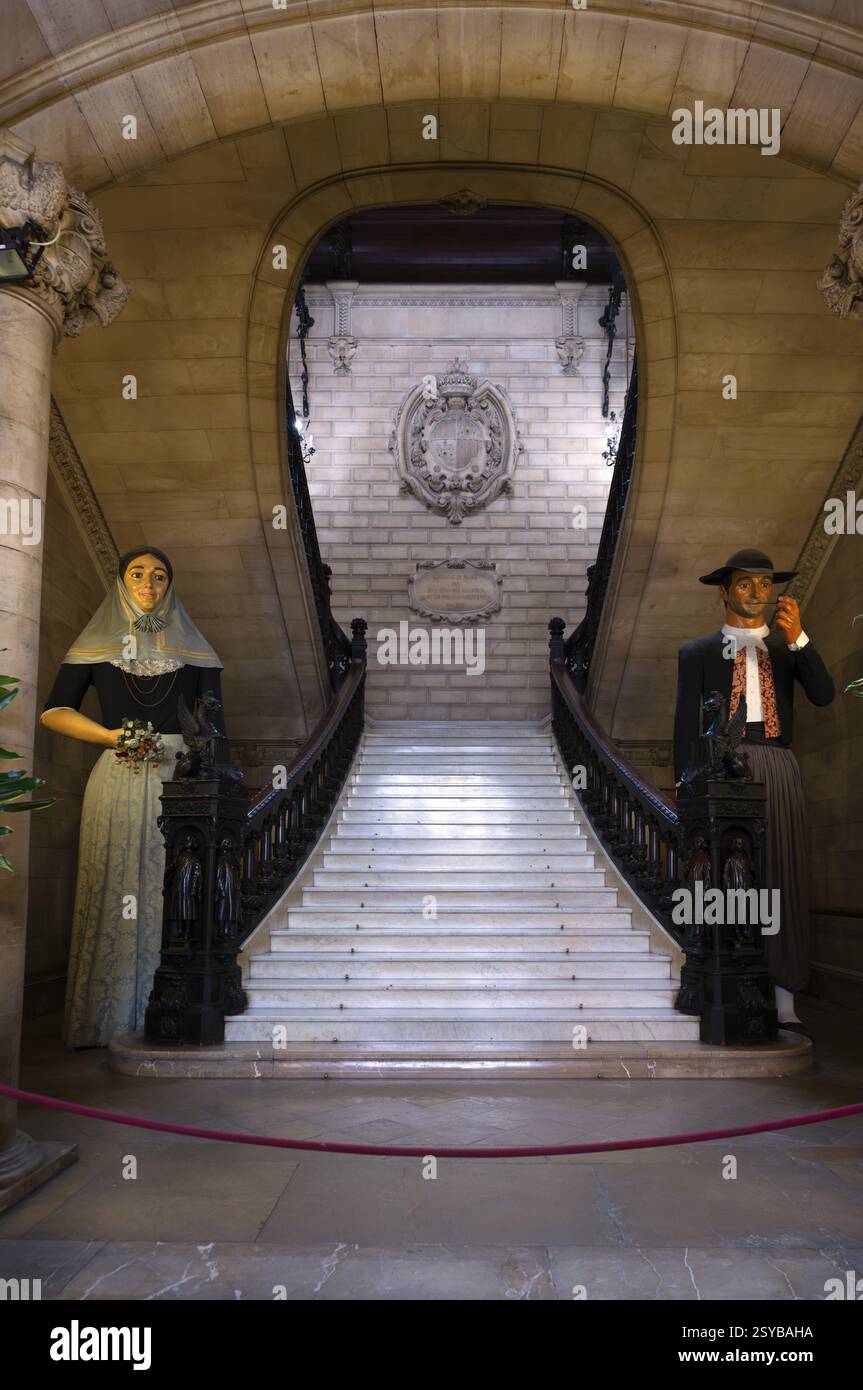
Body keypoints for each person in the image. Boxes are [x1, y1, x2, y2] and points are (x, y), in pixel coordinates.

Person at [39, 548, 227, 1047]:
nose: (149, 584)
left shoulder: (197, 653)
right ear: (122, 583)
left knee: (169, 888)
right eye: (137, 574)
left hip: (177, 782)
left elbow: (214, 730)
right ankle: (102, 1019)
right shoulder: (95, 646)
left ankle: (167, 1009)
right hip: (116, 775)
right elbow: (54, 711)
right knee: (112, 880)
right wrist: (110, 737)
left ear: (170, 586)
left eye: (159, 576)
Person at [673, 548, 835, 1037]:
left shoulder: (789, 649)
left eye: (765, 584)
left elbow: (825, 694)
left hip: (777, 764)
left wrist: (799, 637)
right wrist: (687, 786)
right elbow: (685, 728)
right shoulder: (697, 653)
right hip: (724, 766)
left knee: (783, 871)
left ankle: (785, 994)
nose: (757, 593)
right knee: (728, 877)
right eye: (745, 584)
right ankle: (715, 985)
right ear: (724, 591)